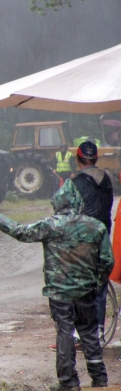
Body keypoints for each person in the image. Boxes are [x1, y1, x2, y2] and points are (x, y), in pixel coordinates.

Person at [0, 181, 113, 391]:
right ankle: (100, 379)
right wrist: (96, 284)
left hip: (60, 293)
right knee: (89, 332)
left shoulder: (51, 225)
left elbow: (21, 232)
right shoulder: (96, 227)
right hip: (87, 292)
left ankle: (68, 381)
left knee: (65, 332)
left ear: (58, 203)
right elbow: (107, 261)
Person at [70, 141, 114, 341]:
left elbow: (64, 211)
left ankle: (80, 333)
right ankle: (98, 331)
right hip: (103, 240)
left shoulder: (75, 182)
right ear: (96, 158)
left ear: (78, 159)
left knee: (79, 288)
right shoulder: (107, 179)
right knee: (100, 288)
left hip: (82, 242)